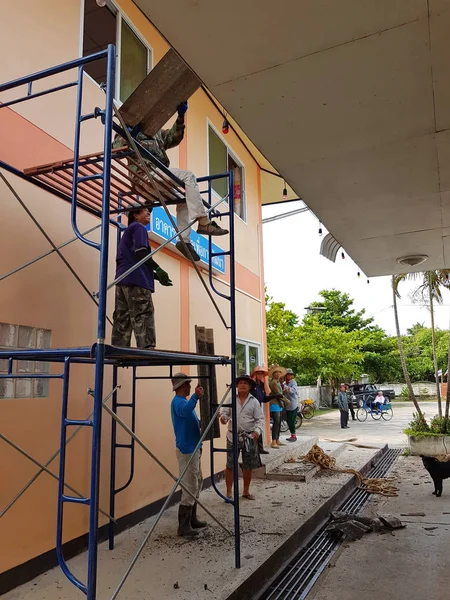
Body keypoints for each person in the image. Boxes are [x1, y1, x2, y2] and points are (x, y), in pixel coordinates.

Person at [114, 101, 228, 263]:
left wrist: (180, 117)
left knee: (184, 200)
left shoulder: (156, 133)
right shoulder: (128, 129)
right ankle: (204, 222)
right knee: (188, 176)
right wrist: (129, 135)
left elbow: (174, 137)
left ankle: (184, 240)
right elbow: (116, 148)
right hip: (144, 176)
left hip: (159, 180)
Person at [111, 206, 173, 348]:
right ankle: (147, 348)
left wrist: (156, 276)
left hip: (122, 280)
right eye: (146, 211)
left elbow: (134, 260)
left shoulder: (128, 232)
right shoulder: (139, 228)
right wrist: (157, 268)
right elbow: (141, 252)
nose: (149, 213)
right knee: (143, 314)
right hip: (137, 281)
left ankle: (119, 348)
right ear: (135, 215)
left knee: (123, 317)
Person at [170, 372, 207, 538]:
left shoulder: (183, 401)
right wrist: (196, 397)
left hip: (194, 448)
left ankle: (192, 519)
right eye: (187, 384)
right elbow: (185, 412)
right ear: (180, 386)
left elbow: (190, 419)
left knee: (197, 482)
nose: (189, 386)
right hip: (186, 450)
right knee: (189, 485)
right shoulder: (178, 402)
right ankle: (183, 526)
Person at [220, 375, 264, 500]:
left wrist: (257, 431)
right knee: (230, 465)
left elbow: (260, 419)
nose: (243, 385)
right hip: (232, 436)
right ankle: (228, 492)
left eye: (245, 383)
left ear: (250, 387)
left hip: (249, 437)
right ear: (237, 386)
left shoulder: (254, 401)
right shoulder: (230, 400)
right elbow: (224, 414)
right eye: (240, 383)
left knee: (248, 465)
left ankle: (245, 491)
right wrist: (223, 419)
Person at [250, 366, 271, 454]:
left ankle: (260, 448)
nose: (260, 375)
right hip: (250, 409)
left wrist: (273, 397)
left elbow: (263, 399)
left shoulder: (262, 385)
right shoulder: (252, 385)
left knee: (259, 427)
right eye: (258, 373)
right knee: (252, 428)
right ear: (255, 374)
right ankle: (253, 449)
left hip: (258, 408)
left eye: (261, 373)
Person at [269, 365, 288, 448]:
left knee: (279, 423)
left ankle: (277, 440)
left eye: (279, 372)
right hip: (274, 405)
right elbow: (278, 394)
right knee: (276, 423)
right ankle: (273, 441)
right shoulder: (273, 382)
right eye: (275, 372)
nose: (277, 374)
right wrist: (287, 401)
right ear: (273, 374)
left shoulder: (278, 382)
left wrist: (284, 391)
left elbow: (280, 393)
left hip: (279, 404)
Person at [284, 368, 299, 442]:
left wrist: (287, 388)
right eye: (287, 375)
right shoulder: (284, 383)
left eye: (290, 375)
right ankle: (292, 434)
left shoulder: (293, 382)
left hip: (293, 404)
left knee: (291, 420)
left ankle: (293, 435)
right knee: (288, 420)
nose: (289, 376)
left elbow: (294, 390)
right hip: (287, 405)